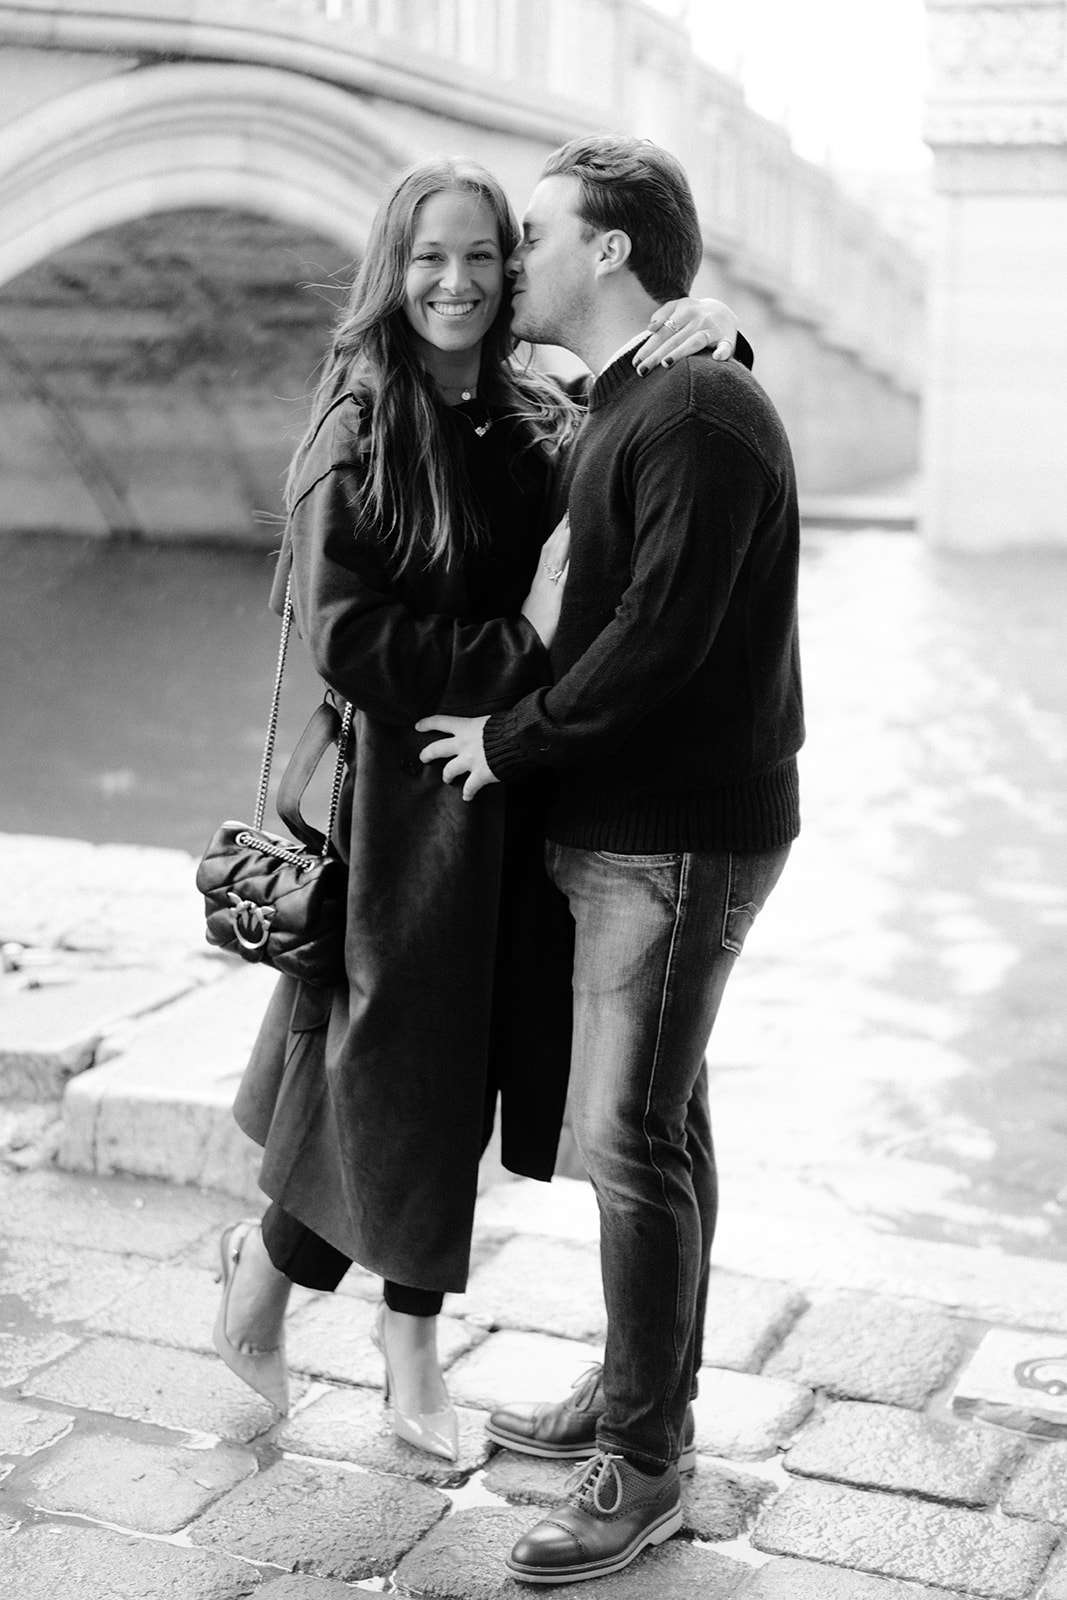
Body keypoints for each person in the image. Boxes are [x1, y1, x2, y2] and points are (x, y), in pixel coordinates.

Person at [211, 154, 742, 1465]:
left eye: (482, 256)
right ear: (394, 273)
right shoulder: (358, 427)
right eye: (428, 257)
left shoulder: (542, 412)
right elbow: (351, 643)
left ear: (512, 271)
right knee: (400, 1081)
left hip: (508, 801)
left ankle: (271, 1280)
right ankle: (403, 1349)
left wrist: (723, 344)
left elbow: (664, 467)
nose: (454, 282)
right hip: (398, 809)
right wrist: (519, 645)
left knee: (442, 1085)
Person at [417, 133, 803, 1579]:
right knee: (662, 1128)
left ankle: (642, 1466)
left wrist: (508, 742)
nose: (512, 259)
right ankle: (646, 1401)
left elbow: (659, 637)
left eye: (533, 232)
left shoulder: (693, 406)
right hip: (643, 827)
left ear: (611, 252)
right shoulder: (647, 390)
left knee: (628, 1144)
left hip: (675, 837)